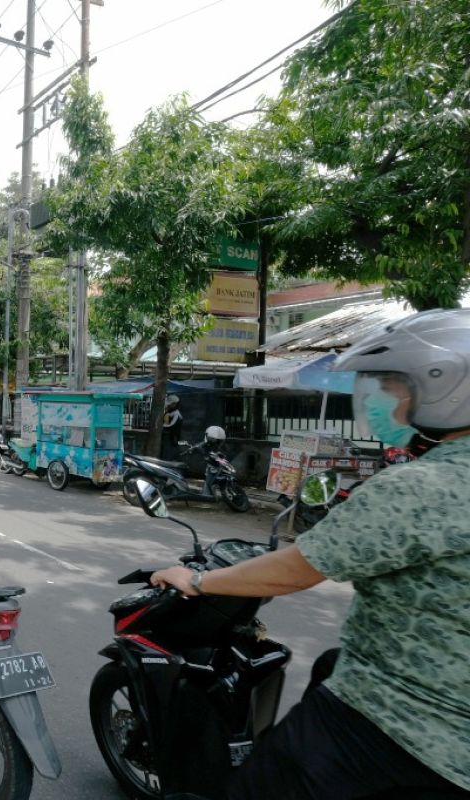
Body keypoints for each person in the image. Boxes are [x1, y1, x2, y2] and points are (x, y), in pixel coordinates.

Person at [149, 309, 470, 799]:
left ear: (445, 387)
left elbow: (298, 570)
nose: (378, 396)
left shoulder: (420, 487)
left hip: (393, 726)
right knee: (329, 663)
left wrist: (197, 582)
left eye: (389, 383)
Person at [162, 394, 183, 459]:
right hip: (167, 439)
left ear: (174, 404)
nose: (168, 405)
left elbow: (171, 426)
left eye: (170, 404)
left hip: (173, 440)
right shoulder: (169, 412)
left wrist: (160, 427)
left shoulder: (176, 414)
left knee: (168, 457)